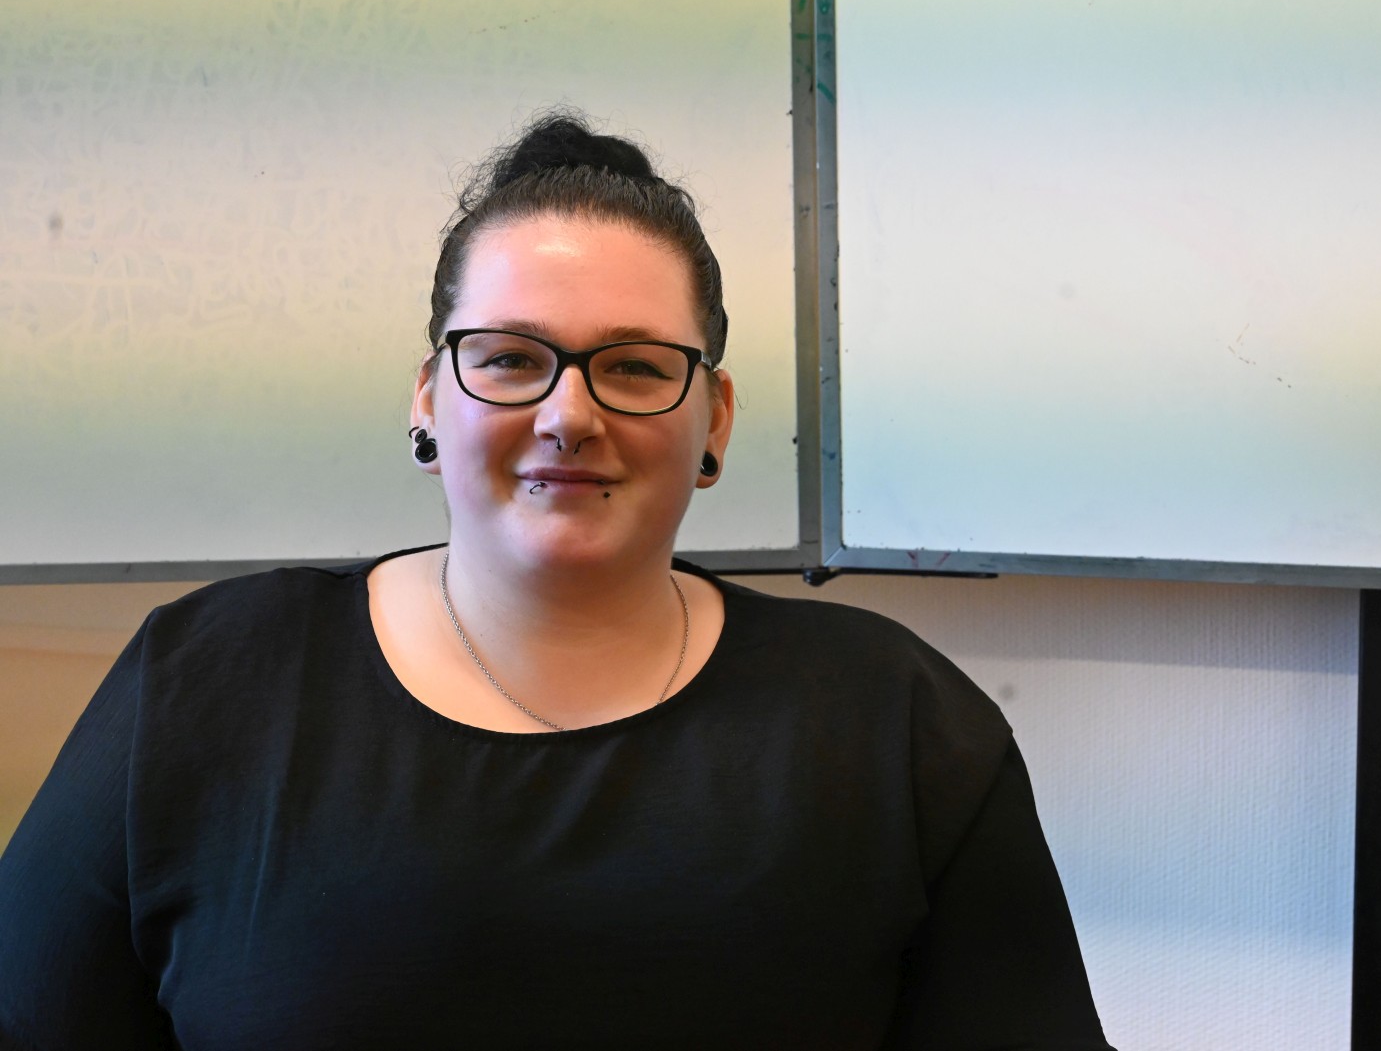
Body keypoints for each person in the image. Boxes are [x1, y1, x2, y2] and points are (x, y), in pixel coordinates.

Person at [0, 111, 1115, 1050]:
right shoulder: (203, 685)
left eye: (633, 366)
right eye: (509, 359)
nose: (568, 415)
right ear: (428, 397)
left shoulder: (896, 724)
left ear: (715, 418)